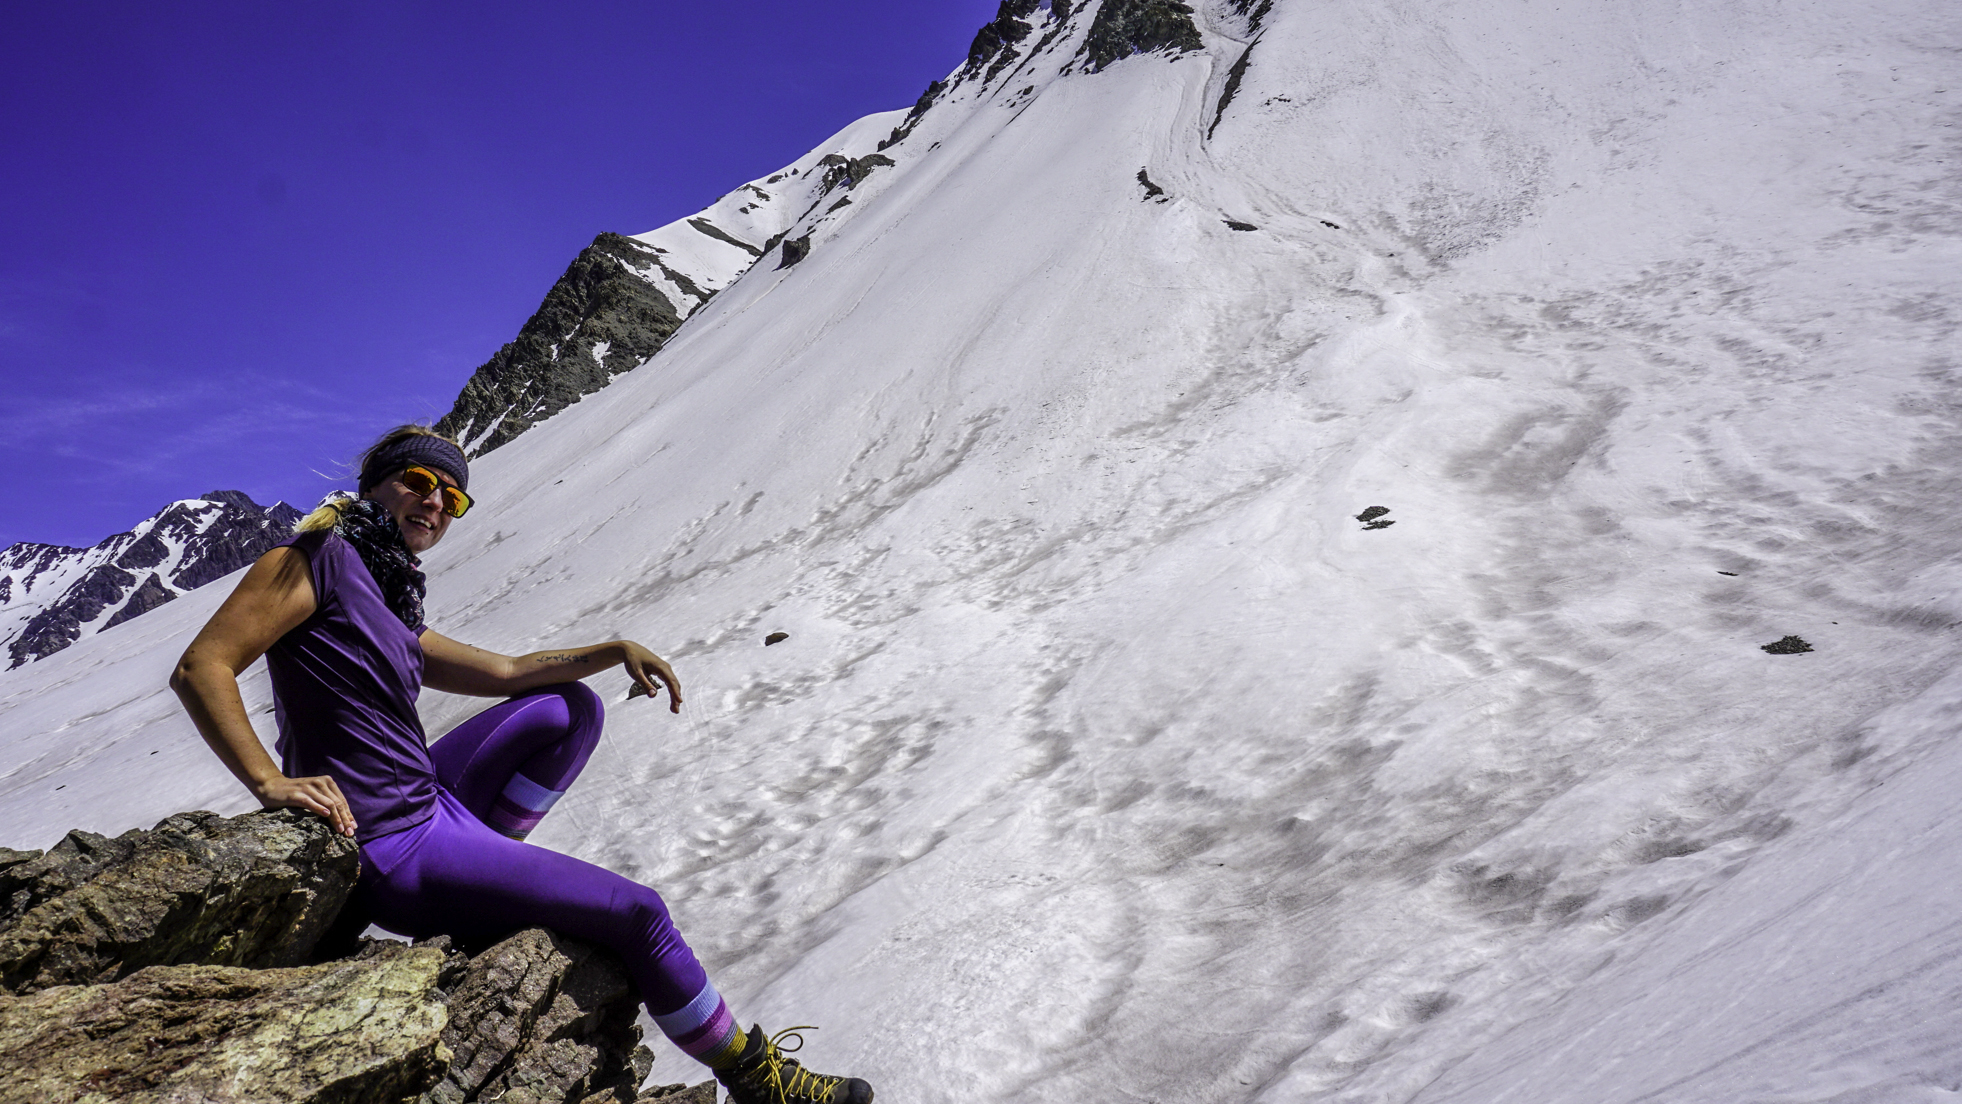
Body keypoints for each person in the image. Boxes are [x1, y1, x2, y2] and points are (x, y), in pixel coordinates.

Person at [170, 425, 872, 1104]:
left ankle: (486, 880)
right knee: (640, 914)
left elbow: (508, 671)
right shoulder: (313, 561)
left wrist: (613, 648)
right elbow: (205, 665)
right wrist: (270, 781)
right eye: (419, 482)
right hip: (394, 844)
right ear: (375, 487)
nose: (436, 503)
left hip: (433, 802)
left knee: (568, 708)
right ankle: (759, 1082)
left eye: (453, 497)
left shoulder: (387, 594)